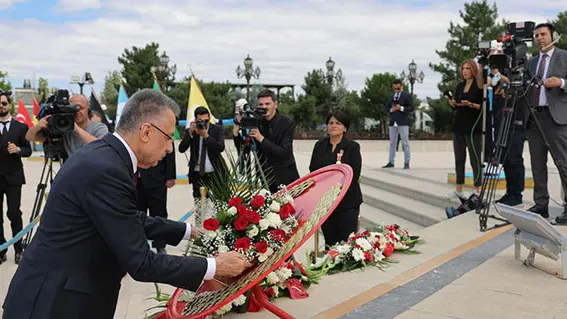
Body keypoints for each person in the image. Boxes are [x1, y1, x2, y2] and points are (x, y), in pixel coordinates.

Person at [2, 89, 251, 318]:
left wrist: (187, 231)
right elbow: (141, 262)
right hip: (53, 304)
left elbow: (126, 217)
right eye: (167, 138)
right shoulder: (107, 170)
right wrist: (213, 266)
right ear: (145, 132)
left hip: (57, 296)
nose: (168, 149)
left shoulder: (105, 156)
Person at [523, 23, 567, 223]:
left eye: (543, 34)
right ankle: (541, 205)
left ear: (553, 36)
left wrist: (562, 82)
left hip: (556, 118)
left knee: (563, 163)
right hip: (534, 117)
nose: (539, 38)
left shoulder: (564, 56)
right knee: (537, 164)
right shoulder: (531, 62)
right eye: (536, 35)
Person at [309, 110, 362, 247]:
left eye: (338, 123)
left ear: (345, 128)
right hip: (326, 201)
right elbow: (313, 170)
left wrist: (338, 191)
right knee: (330, 242)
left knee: (345, 244)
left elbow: (354, 174)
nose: (333, 126)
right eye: (331, 123)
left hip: (347, 202)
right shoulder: (320, 146)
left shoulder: (352, 147)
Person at [234, 89, 300, 194]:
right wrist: (237, 126)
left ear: (275, 104)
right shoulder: (257, 120)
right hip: (264, 176)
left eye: (267, 103)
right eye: (261, 104)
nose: (264, 107)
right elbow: (244, 149)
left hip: (284, 176)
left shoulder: (287, 123)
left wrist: (261, 139)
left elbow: (285, 152)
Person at [0, 91, 32, 265]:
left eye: (4, 103)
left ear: (9, 105)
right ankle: (1, 250)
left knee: (14, 213)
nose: (1, 106)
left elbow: (28, 150)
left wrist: (18, 150)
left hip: (14, 178)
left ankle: (19, 249)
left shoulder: (20, 127)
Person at [488, 65, 526, 206]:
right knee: (505, 158)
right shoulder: (499, 72)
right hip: (501, 118)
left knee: (514, 157)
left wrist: (496, 73)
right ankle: (510, 192)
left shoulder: (520, 67)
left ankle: (516, 194)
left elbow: (514, 83)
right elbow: (487, 83)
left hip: (516, 120)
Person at [25, 94, 108, 160]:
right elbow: (29, 137)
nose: (77, 112)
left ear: (88, 109)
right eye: (73, 109)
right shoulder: (63, 128)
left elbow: (101, 146)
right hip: (71, 174)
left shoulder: (99, 127)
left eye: (80, 108)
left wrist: (76, 128)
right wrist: (37, 127)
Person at [446, 59, 484, 197]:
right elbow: (457, 104)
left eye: (468, 68)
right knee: (459, 158)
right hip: (459, 126)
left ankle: (477, 189)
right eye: (463, 69)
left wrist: (471, 104)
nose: (465, 71)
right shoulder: (460, 86)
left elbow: (483, 107)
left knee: (475, 159)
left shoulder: (479, 86)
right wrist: (452, 103)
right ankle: (459, 189)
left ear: (473, 69)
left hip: (473, 127)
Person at [136, 140, 176, 254]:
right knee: (137, 215)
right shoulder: (133, 128)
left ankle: (160, 245)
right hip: (136, 181)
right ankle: (140, 246)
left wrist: (171, 176)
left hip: (157, 180)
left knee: (159, 214)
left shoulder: (159, 127)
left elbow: (169, 152)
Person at [178, 106, 226, 201]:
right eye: (201, 121)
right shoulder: (192, 130)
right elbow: (181, 149)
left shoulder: (217, 129)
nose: (204, 124)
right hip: (197, 173)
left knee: (218, 202)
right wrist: (190, 134)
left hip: (214, 171)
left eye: (206, 120)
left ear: (209, 118)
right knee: (199, 203)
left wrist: (206, 136)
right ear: (195, 120)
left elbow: (220, 147)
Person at [382, 78, 413, 169]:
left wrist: (401, 108)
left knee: (405, 142)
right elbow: (386, 108)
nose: (396, 90)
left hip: (403, 122)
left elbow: (411, 107)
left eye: (398, 88)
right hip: (393, 122)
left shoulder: (407, 95)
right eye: (395, 89)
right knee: (392, 143)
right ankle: (391, 161)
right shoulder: (391, 96)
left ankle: (407, 162)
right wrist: (392, 109)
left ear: (401, 86)